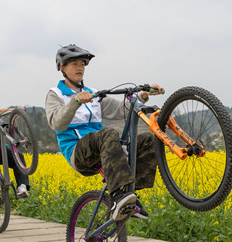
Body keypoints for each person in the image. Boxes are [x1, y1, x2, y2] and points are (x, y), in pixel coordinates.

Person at [45, 44, 164, 220]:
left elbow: (121, 109)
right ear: (62, 67)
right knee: (109, 133)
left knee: (148, 139)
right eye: (74, 64)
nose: (79, 68)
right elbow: (57, 123)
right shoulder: (55, 94)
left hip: (101, 148)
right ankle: (117, 196)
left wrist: (143, 97)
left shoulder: (93, 94)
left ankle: (129, 196)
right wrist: (75, 102)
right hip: (77, 151)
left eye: (82, 64)